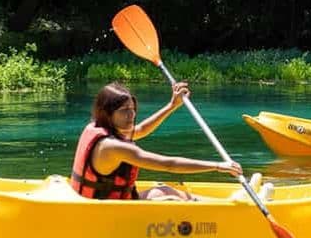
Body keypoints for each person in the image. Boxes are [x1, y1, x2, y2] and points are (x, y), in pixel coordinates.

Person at [71, 81, 241, 200]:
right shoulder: (112, 147)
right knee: (170, 199)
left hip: (102, 201)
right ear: (107, 113)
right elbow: (169, 164)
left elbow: (142, 130)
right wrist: (218, 166)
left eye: (132, 109)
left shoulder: (96, 127)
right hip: (106, 211)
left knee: (164, 191)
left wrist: (172, 105)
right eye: (124, 111)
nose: (132, 115)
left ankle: (231, 201)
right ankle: (234, 206)